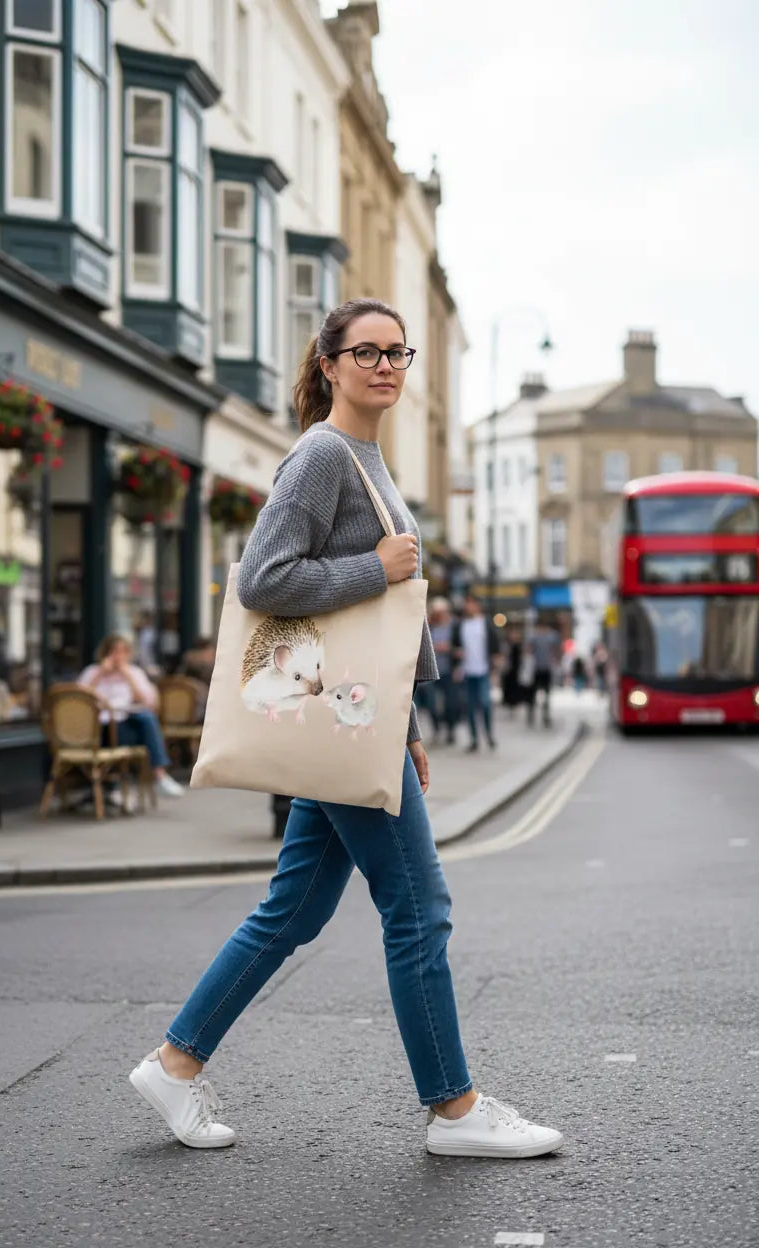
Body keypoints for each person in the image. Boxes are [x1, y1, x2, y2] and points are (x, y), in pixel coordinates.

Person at [128, 297, 562, 1159]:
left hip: (356, 722)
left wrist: (401, 722)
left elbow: (385, 623)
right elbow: (264, 581)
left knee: (293, 909)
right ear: (328, 364)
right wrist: (376, 564)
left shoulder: (363, 456)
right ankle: (454, 1110)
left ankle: (175, 1063)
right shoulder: (325, 454)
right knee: (419, 909)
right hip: (339, 718)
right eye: (367, 352)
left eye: (398, 352)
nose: (387, 366)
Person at [78, 634, 184, 799]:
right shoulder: (92, 672)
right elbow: (77, 699)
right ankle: (158, 775)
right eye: (114, 651)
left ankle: (157, 776)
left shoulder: (134, 672)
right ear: (105, 653)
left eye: (123, 652)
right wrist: (100, 674)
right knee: (146, 722)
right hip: (95, 730)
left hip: (125, 726)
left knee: (146, 717)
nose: (118, 656)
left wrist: (127, 677)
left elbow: (145, 702)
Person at [454, 596, 499, 752]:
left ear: (478, 606)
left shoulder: (486, 624)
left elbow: (495, 646)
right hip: (467, 672)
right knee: (470, 707)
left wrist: (495, 669)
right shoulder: (461, 625)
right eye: (467, 604)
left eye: (471, 604)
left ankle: (489, 735)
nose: (468, 607)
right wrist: (457, 656)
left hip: (483, 671)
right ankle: (474, 739)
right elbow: (456, 645)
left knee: (486, 704)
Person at [427, 597, 461, 744]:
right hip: (431, 672)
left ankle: (450, 730)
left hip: (449, 671)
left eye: (442, 612)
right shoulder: (429, 626)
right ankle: (436, 728)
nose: (439, 615)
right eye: (436, 612)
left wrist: (450, 649)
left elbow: (461, 648)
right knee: (431, 703)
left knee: (451, 703)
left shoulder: (455, 627)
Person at [525, 619, 561, 727]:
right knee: (537, 694)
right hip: (538, 669)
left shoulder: (535, 636)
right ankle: (538, 715)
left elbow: (528, 650)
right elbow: (556, 650)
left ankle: (541, 716)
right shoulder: (549, 637)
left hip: (543, 669)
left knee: (542, 694)